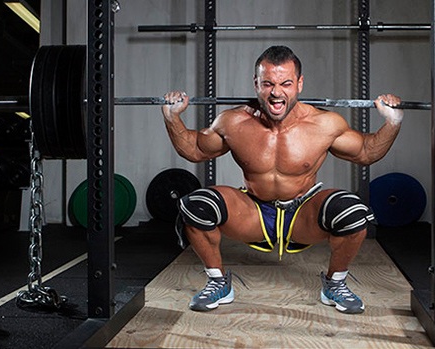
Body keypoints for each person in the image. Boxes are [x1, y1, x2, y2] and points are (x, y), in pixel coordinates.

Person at [161, 45, 403, 314]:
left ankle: (335, 284)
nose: (276, 93)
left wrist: (392, 123)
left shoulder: (324, 124)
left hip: (303, 213)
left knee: (353, 211)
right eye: (268, 84)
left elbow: (366, 152)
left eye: (286, 83)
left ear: (299, 83)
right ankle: (218, 282)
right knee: (196, 205)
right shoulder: (233, 122)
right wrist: (172, 118)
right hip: (253, 211)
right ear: (256, 84)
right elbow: (195, 149)